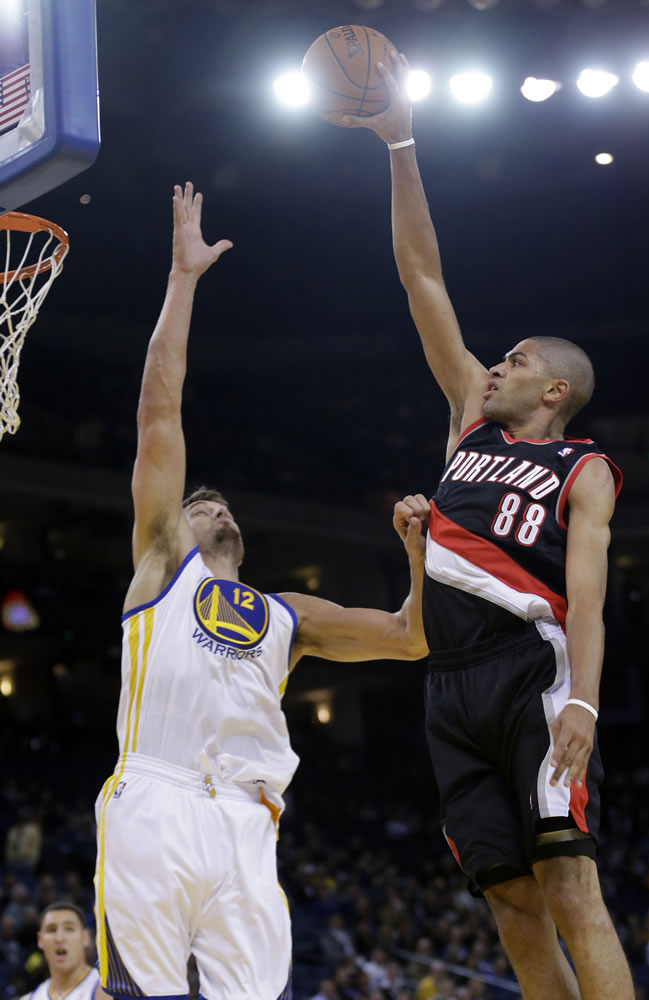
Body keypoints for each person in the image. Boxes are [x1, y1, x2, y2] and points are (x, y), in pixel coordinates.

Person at [341, 53, 633, 1000]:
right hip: (448, 686)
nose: (491, 365)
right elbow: (418, 273)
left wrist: (583, 702)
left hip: (530, 670)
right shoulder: (468, 414)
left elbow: (586, 602)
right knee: (508, 904)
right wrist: (400, 142)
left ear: (554, 388)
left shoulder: (581, 468)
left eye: (511, 359)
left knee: (568, 884)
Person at [93, 182, 429, 1000]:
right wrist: (183, 281)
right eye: (200, 501)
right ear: (175, 518)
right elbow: (158, 412)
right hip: (157, 792)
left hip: (249, 818)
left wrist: (418, 558)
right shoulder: (162, 563)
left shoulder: (290, 616)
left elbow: (408, 637)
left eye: (222, 502)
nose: (216, 506)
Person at [21, 902, 101, 1000]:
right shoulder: (30, 998)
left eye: (69, 929)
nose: (59, 938)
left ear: (85, 937)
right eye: (51, 930)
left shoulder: (108, 991)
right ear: (40, 940)